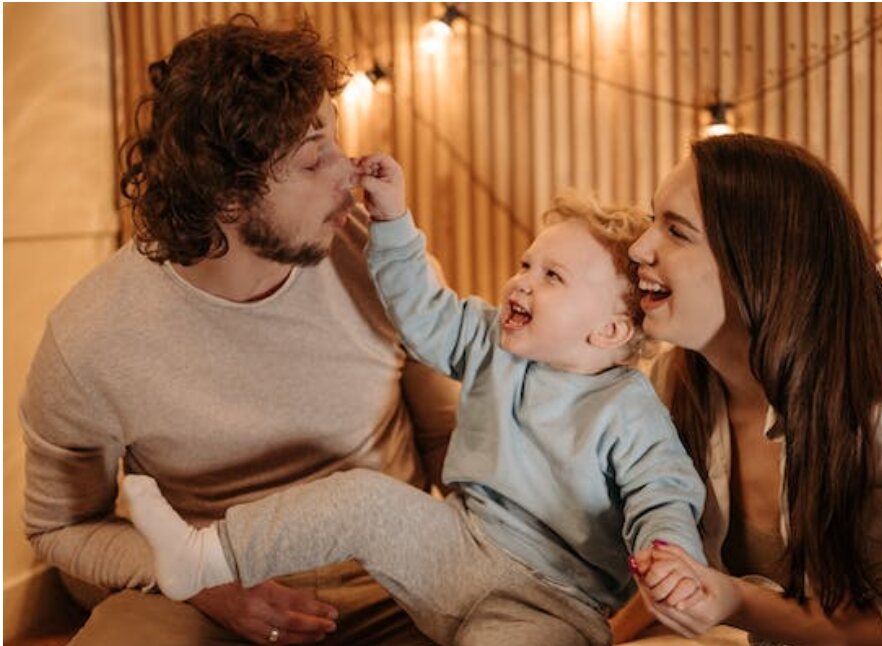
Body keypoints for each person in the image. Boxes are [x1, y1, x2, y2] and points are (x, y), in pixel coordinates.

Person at [121, 156, 708, 646]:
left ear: (607, 332)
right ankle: (205, 557)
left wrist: (667, 553)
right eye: (525, 264)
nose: (521, 281)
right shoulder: (488, 340)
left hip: (554, 602)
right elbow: (421, 309)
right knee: (361, 498)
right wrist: (394, 219)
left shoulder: (627, 408)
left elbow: (660, 492)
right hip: (454, 548)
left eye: (552, 276)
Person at [20, 15, 459, 646]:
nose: (349, 172)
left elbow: (452, 446)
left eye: (338, 139)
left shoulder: (383, 264)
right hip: (208, 591)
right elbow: (61, 527)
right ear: (226, 198)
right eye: (314, 161)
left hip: (393, 583)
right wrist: (206, 585)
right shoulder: (92, 336)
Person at [611, 133, 882, 645]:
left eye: (676, 231)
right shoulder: (677, 385)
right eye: (653, 221)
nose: (639, 246)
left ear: (760, 265)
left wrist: (738, 601)